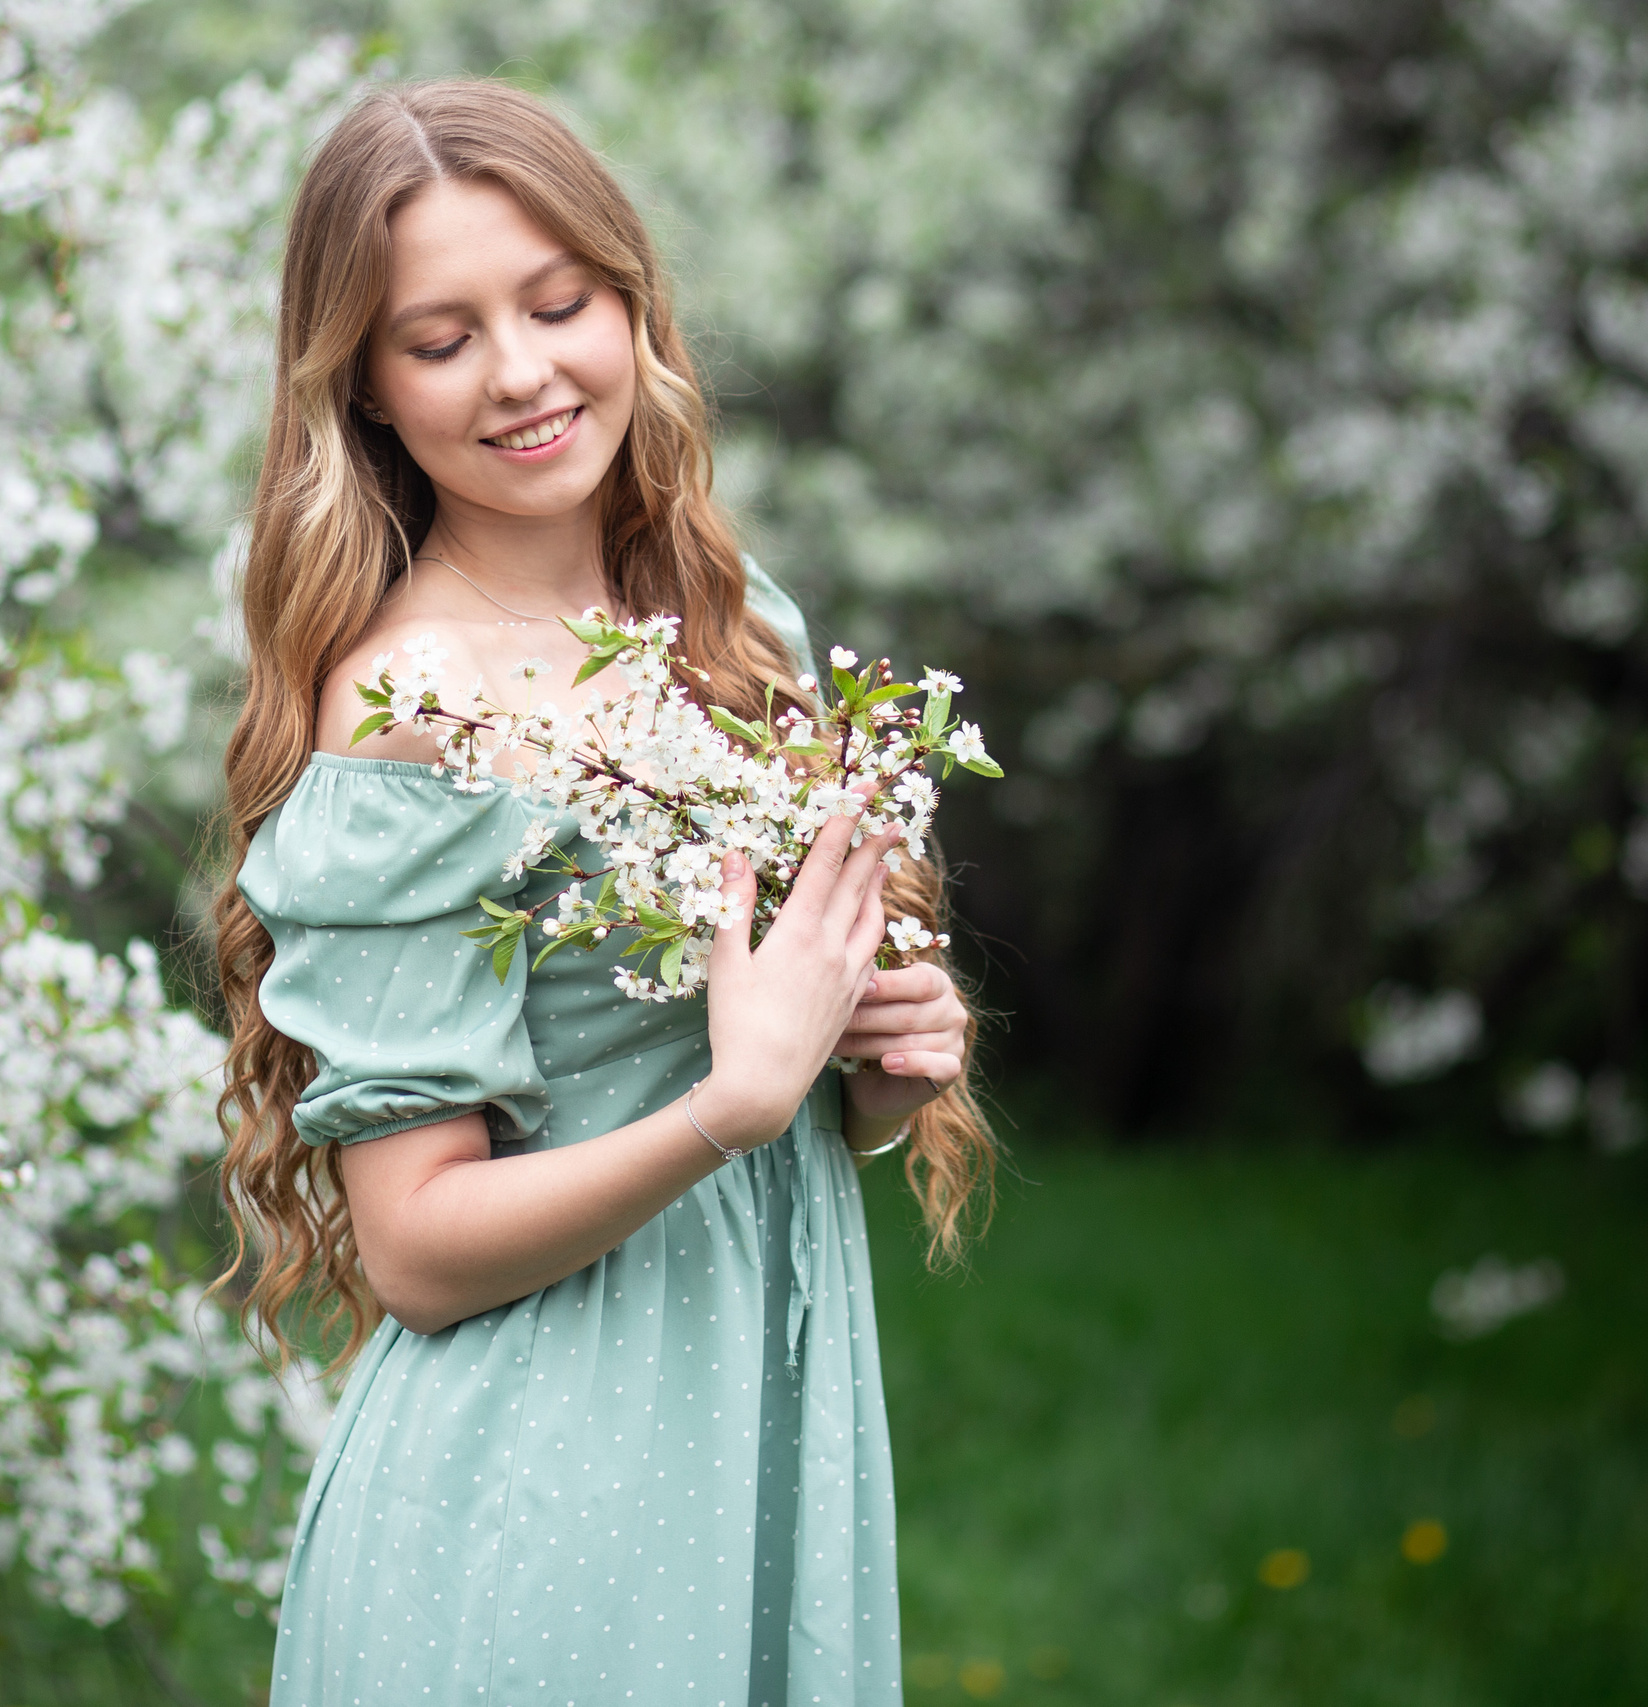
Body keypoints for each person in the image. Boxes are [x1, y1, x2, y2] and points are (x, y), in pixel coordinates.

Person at [212, 78, 993, 1706]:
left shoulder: (720, 616)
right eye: (439, 339)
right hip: (546, 1496)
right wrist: (731, 1102)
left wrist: (867, 1057)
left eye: (558, 302)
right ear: (361, 390)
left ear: (631, 303)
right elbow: (416, 1244)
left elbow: (747, 1069)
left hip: (757, 1424)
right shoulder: (413, 713)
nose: (520, 372)